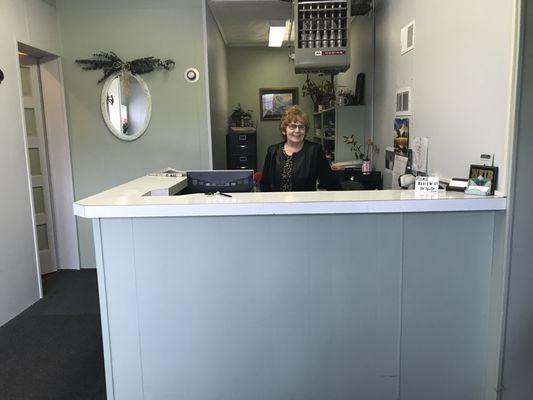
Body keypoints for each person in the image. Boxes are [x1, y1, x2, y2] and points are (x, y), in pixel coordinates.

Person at [260, 105, 340, 192]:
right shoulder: (273, 151)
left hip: (304, 203)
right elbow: (265, 183)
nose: (297, 130)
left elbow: (330, 183)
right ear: (284, 130)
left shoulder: (314, 151)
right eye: (293, 126)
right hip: (278, 203)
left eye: (301, 127)